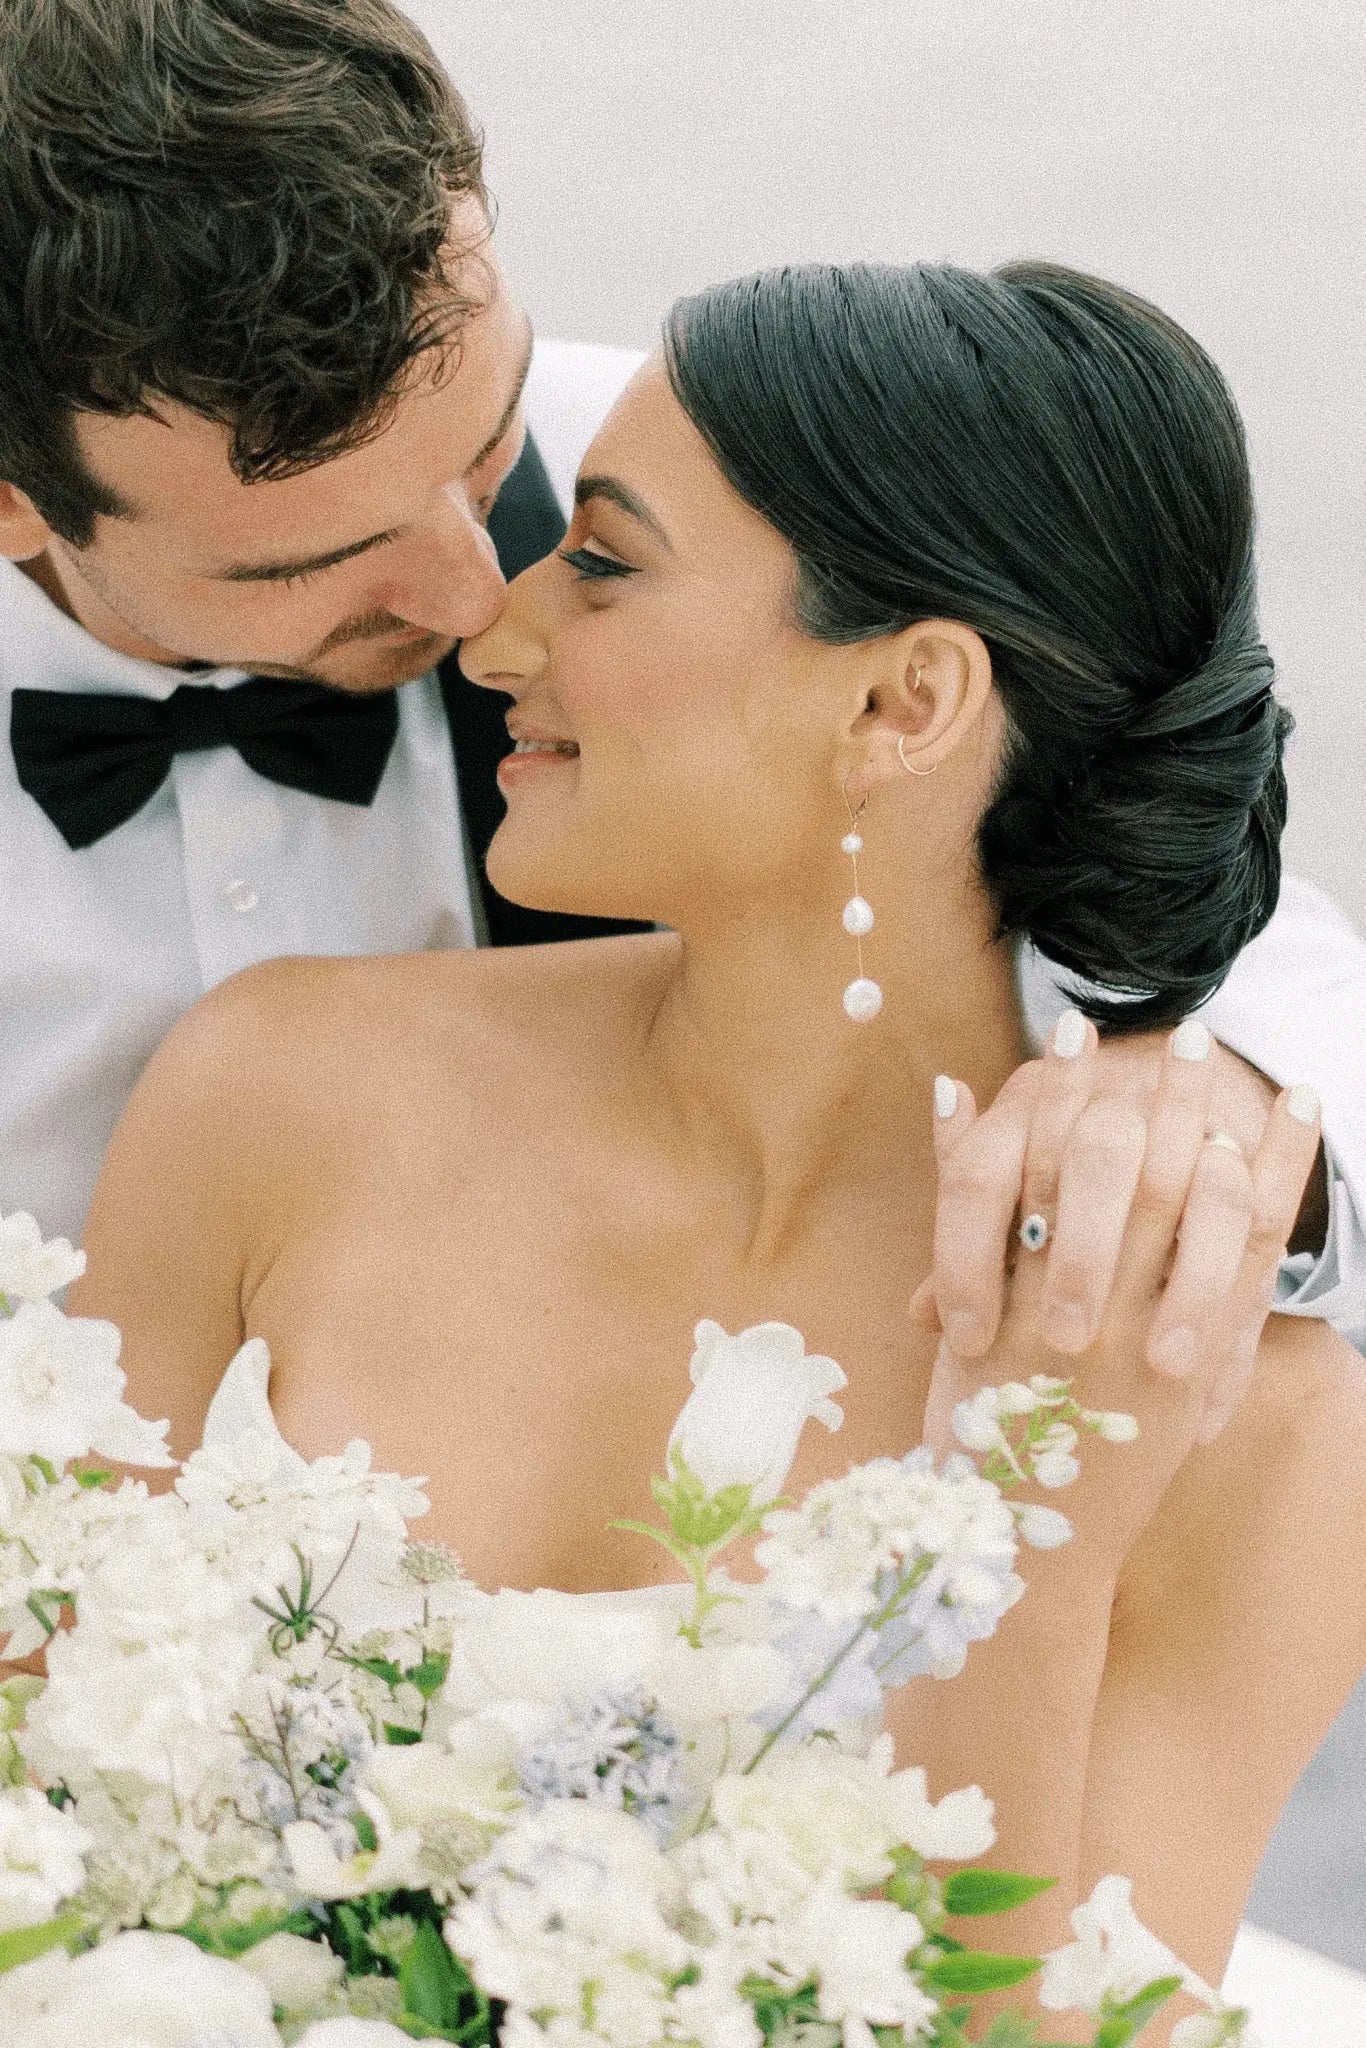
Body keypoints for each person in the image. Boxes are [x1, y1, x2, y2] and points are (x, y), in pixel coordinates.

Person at [70, 260, 1366, 2037]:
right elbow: (33, 1792)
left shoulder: (1251, 1420)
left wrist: (1022, 1530)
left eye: (597, 561)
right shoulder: (274, 1090)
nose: (493, 629)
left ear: (900, 706)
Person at [2, 0, 1366, 1363]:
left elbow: (1147, 818)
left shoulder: (693, 488)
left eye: (482, 459)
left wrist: (1221, 1085)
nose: (483, 604)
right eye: (326, 556)